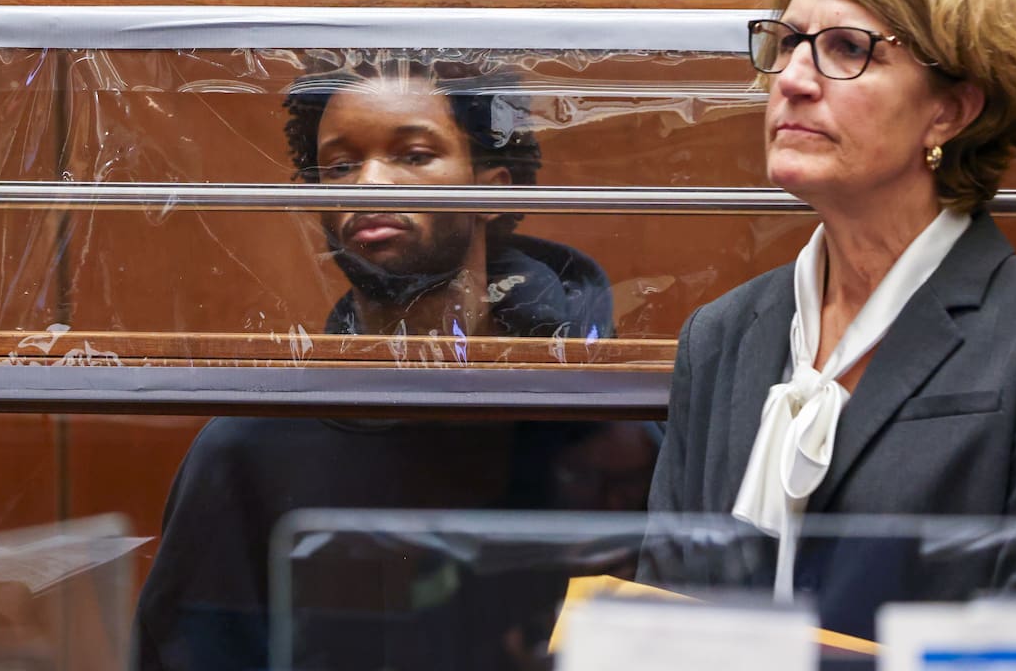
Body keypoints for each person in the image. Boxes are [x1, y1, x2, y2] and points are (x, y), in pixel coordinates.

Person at [646, 0, 1016, 638]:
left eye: (847, 49)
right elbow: (664, 615)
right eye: (785, 43)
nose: (794, 80)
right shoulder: (720, 336)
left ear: (951, 111)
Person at [134, 58, 655, 671]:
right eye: (341, 165)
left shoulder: (616, 424)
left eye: (413, 155)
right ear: (314, 201)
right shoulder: (251, 447)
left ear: (493, 189)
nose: (370, 185)